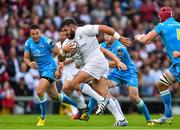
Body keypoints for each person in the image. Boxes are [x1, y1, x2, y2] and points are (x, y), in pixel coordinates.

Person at [60, 17, 131, 126]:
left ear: (73, 27)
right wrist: (63, 52)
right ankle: (121, 119)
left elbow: (104, 28)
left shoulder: (84, 30)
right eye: (63, 31)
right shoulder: (66, 43)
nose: (64, 33)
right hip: (88, 67)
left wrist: (119, 38)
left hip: (97, 62)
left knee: (75, 83)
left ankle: (93, 104)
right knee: (66, 87)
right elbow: (61, 59)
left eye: (66, 30)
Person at [23, 24, 79, 126]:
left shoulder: (47, 41)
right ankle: (79, 107)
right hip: (42, 71)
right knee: (55, 97)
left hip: (50, 69)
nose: (35, 36)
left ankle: (43, 117)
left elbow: (60, 53)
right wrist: (29, 63)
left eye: (37, 33)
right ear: (30, 34)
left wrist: (59, 69)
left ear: (40, 32)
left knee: (39, 91)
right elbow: (26, 58)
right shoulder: (28, 43)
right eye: (33, 34)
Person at [134, 6, 180, 124]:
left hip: (178, 63)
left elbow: (146, 40)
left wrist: (139, 37)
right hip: (176, 65)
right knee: (161, 84)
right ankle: (168, 115)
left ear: (161, 17)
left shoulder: (161, 26)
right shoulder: (179, 25)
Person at [101, 34, 154, 126]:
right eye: (105, 35)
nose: (106, 37)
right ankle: (121, 119)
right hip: (116, 73)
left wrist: (101, 63)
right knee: (101, 87)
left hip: (129, 72)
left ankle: (149, 119)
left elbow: (115, 63)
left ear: (114, 37)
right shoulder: (102, 45)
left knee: (133, 97)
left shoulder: (120, 47)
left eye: (109, 35)